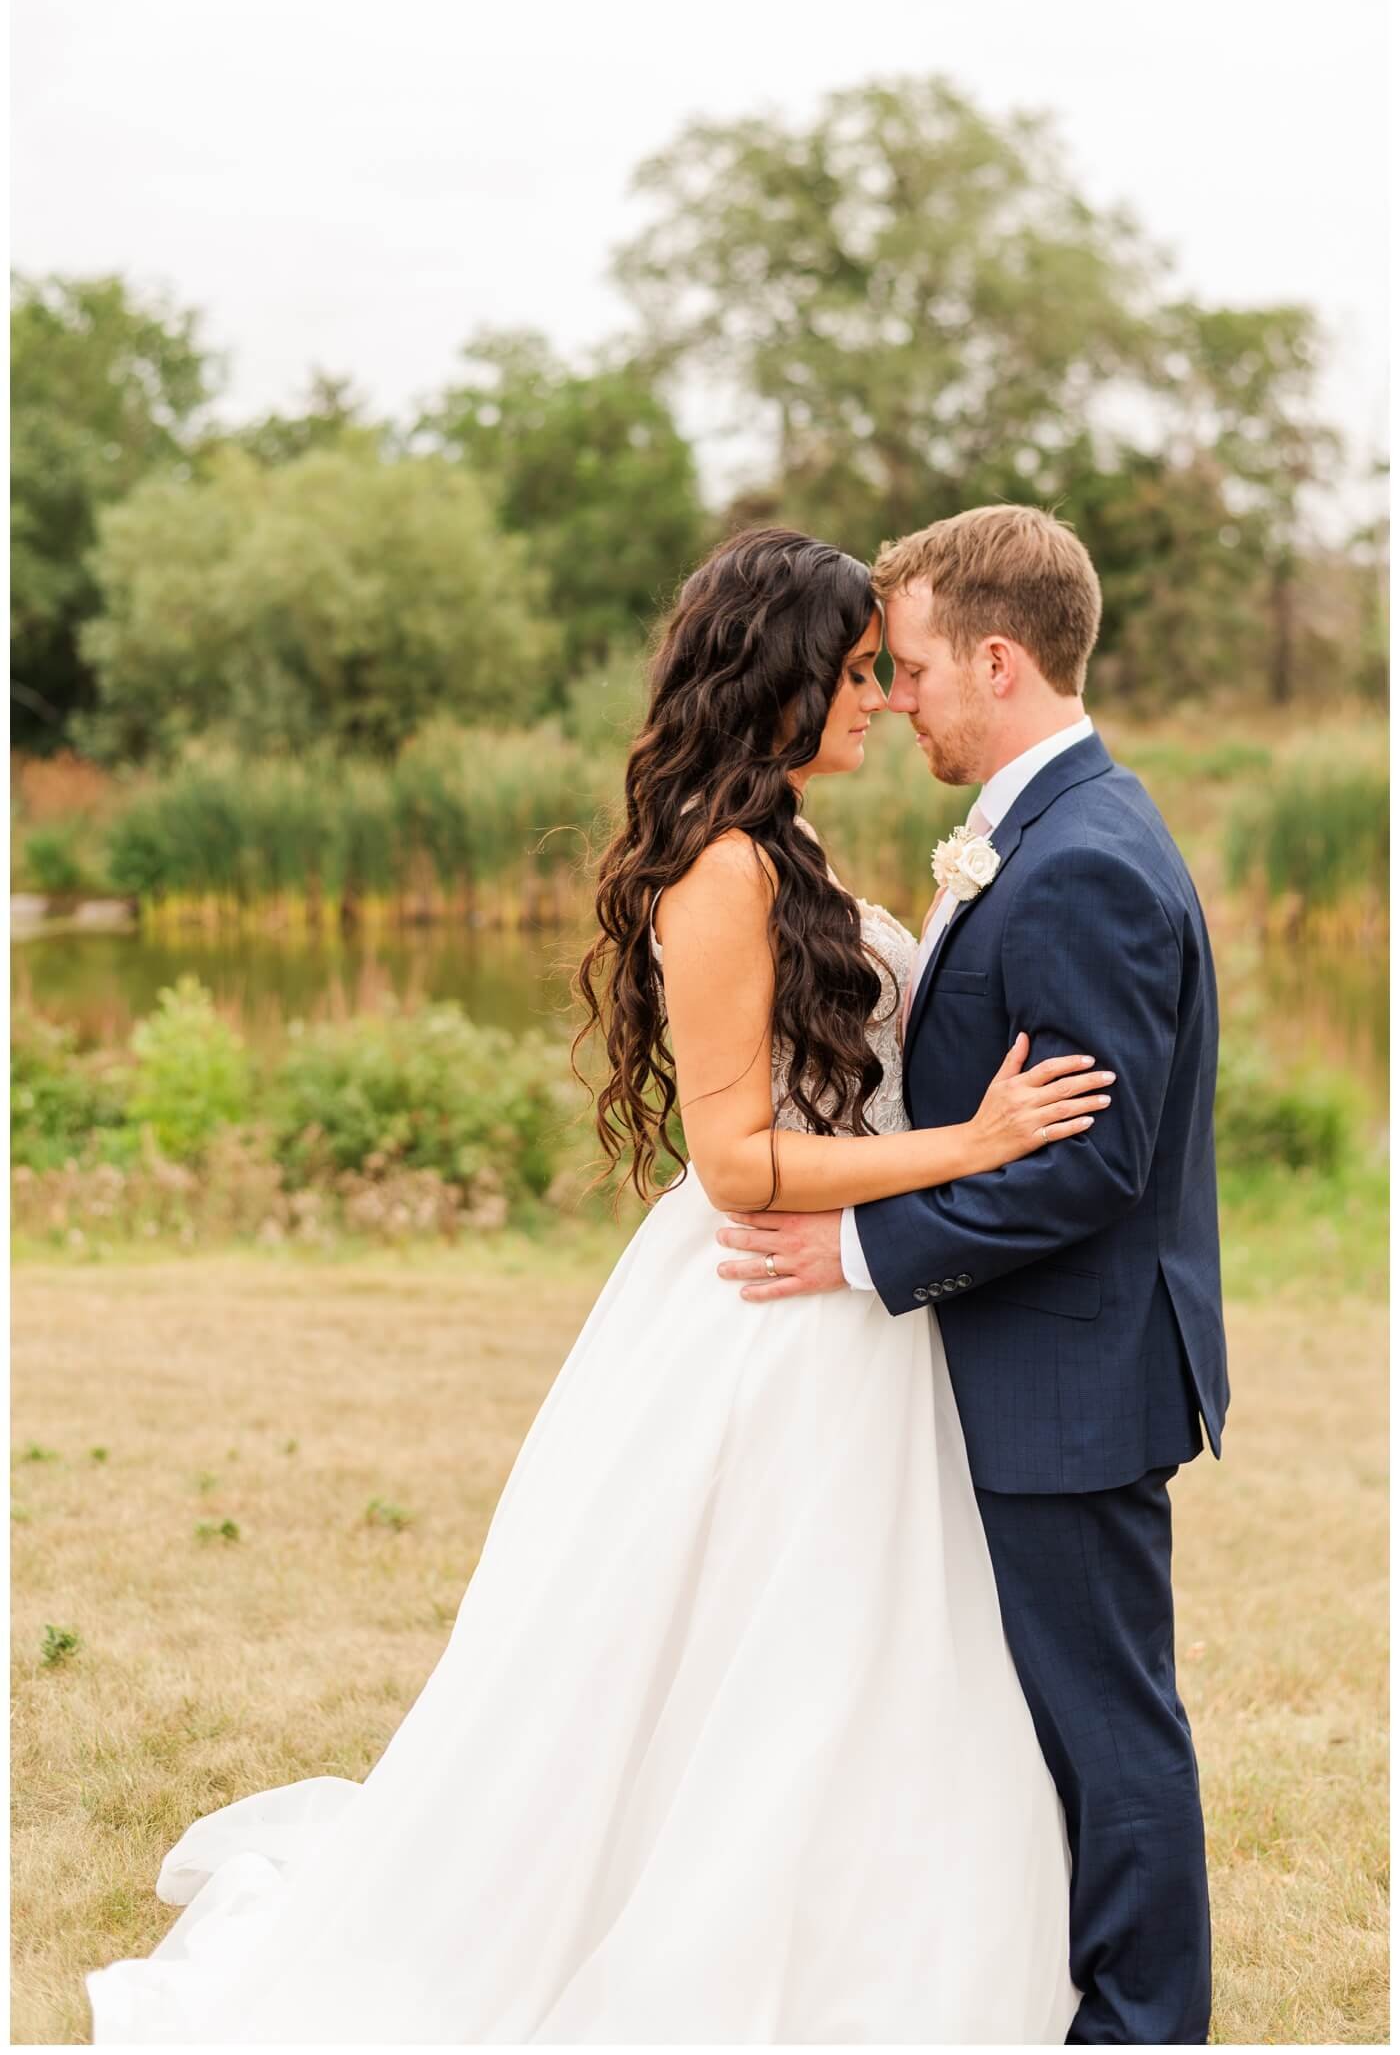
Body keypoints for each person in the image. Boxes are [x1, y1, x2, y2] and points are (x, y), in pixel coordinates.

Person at [85, 526, 1099, 2044]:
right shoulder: (722, 869)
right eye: (852, 673)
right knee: (738, 1646)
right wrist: (973, 1142)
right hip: (768, 1310)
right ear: (781, 683)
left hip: (854, 1313)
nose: (880, 700)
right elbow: (740, 1159)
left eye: (886, 673)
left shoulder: (789, 848)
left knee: (848, 1654)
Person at [716, 506, 1228, 2044]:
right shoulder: (1051, 828)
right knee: (1032, 1723)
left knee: (1107, 1728)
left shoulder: (1084, 862)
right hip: (1023, 1363)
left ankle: (1141, 2030)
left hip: (1067, 1373)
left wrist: (865, 1248)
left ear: (998, 660)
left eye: (917, 664)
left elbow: (1088, 1160)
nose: (895, 694)